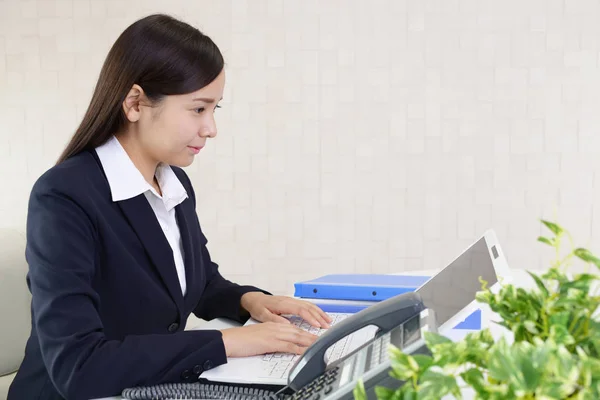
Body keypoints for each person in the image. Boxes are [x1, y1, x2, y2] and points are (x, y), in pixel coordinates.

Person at [8, 13, 332, 400]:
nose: (211, 128)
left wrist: (254, 301)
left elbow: (192, 282)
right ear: (135, 103)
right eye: (198, 109)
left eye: (216, 109)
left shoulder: (172, 182)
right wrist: (228, 343)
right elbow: (78, 366)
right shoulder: (63, 197)